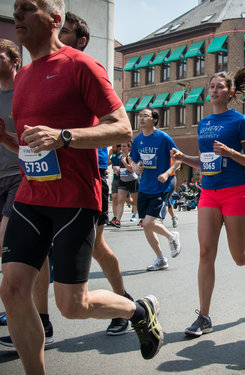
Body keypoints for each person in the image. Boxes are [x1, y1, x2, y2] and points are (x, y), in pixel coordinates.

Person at [0, 2, 163, 372]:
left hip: (74, 197)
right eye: (15, 9)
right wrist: (9, 141)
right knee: (11, 289)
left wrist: (64, 136)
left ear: (54, 20)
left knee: (72, 305)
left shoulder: (81, 65)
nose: (18, 16)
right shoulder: (23, 75)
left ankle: (139, 309)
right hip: (31, 195)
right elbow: (32, 145)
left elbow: (121, 128)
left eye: (28, 8)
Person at [171, 65, 245, 337]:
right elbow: (205, 159)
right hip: (210, 192)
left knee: (240, 256)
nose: (214, 90)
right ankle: (205, 316)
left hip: (236, 191)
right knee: (205, 253)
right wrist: (183, 159)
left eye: (219, 87)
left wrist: (230, 151)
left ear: (230, 92)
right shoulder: (204, 123)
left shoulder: (239, 122)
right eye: (211, 86)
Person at [130, 107, 182, 271]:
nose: (141, 119)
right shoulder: (138, 140)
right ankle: (160, 259)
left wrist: (167, 173)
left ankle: (171, 235)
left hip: (160, 187)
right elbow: (133, 161)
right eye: (140, 116)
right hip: (144, 187)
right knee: (146, 226)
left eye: (145, 116)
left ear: (154, 119)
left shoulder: (163, 138)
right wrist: (135, 167)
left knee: (149, 222)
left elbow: (178, 160)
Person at [0, 38, 23, 327]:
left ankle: (15, 303)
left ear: (14, 60)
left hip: (20, 175)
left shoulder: (25, 92)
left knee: (4, 241)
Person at [116, 142, 139, 227]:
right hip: (123, 180)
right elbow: (122, 168)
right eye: (121, 146)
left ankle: (142, 219)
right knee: (120, 201)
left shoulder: (130, 157)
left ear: (129, 148)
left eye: (125, 146)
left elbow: (131, 169)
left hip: (132, 181)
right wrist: (118, 170)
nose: (122, 148)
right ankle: (118, 221)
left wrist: (124, 162)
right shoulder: (119, 156)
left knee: (136, 201)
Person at [108, 144, 121, 226]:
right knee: (114, 198)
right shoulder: (114, 156)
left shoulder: (122, 156)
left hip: (124, 179)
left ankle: (137, 208)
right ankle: (115, 217)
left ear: (118, 148)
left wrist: (118, 168)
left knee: (128, 200)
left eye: (114, 147)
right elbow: (106, 163)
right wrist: (109, 154)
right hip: (116, 179)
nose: (112, 149)